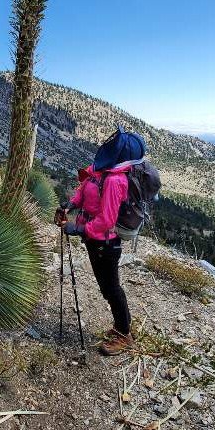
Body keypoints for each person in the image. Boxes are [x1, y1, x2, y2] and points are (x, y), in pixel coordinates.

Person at [60, 127, 146, 356]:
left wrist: (78, 228)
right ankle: (123, 326)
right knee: (108, 287)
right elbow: (84, 189)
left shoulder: (115, 180)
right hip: (94, 239)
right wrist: (70, 205)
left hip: (105, 243)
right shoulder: (102, 170)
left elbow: (107, 220)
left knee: (110, 288)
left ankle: (124, 333)